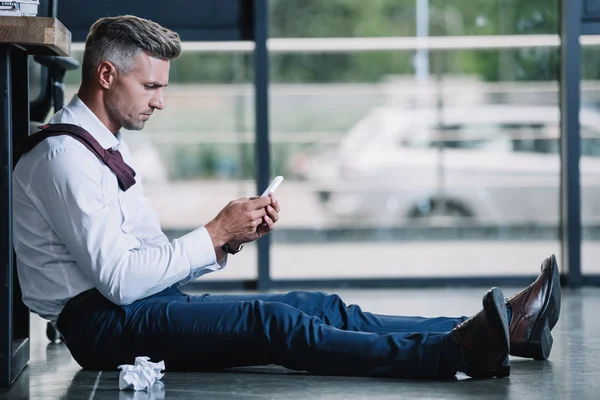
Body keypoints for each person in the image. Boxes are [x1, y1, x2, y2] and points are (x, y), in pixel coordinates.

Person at [12, 15, 561, 380]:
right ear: (106, 74)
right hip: (103, 327)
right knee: (274, 323)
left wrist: (225, 242)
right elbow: (118, 280)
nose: (160, 102)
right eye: (151, 86)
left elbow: (142, 262)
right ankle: (456, 354)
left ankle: (496, 330)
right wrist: (213, 232)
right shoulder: (66, 157)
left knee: (316, 307)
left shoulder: (99, 146)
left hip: (133, 308)